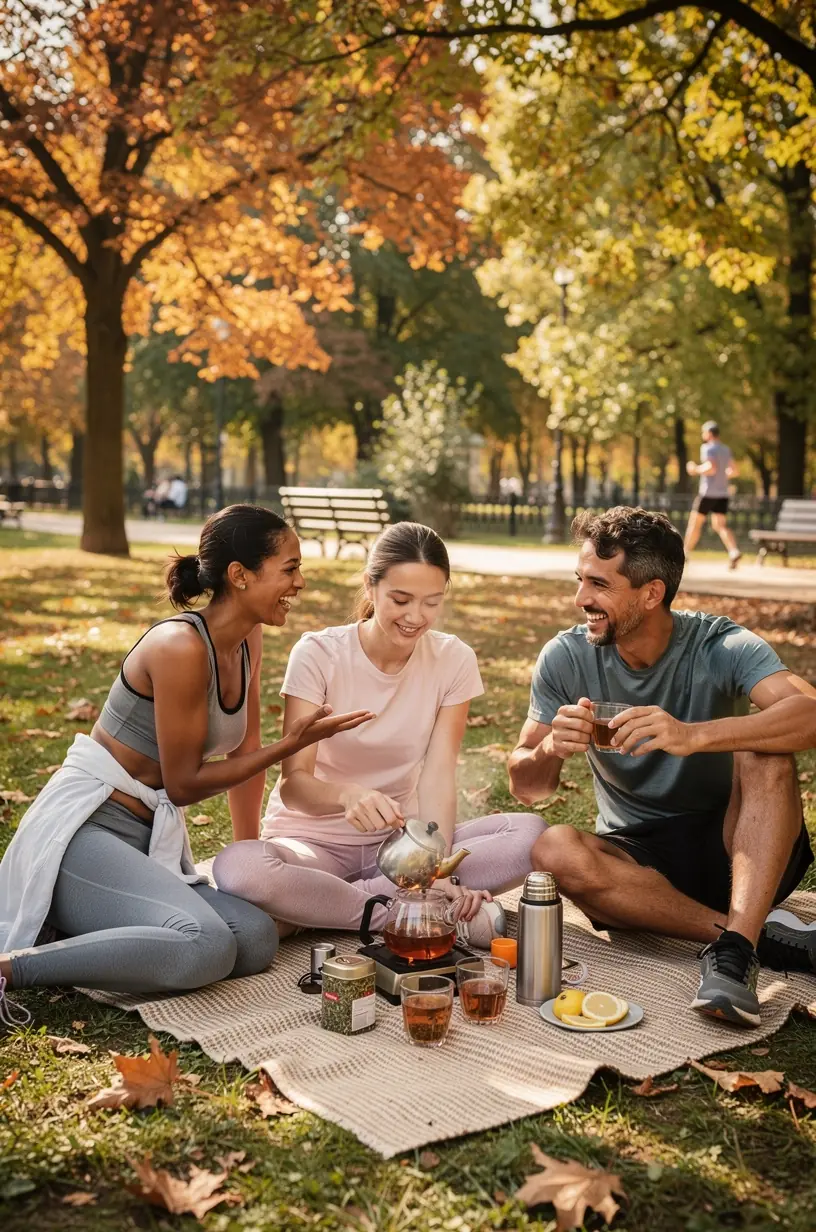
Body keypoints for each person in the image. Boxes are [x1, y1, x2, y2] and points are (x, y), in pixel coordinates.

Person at [0, 505, 371, 1008]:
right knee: (205, 944)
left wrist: (249, 858)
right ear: (240, 575)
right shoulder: (179, 646)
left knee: (254, 937)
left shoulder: (247, 639)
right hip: (86, 833)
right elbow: (183, 784)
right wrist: (290, 746)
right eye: (290, 568)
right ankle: (14, 967)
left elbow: (245, 753)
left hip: (144, 839)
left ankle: (95, 927)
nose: (300, 582)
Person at [509, 506, 816, 1028]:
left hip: (743, 847)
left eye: (599, 585)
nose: (581, 598)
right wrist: (550, 751)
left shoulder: (719, 644)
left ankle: (739, 939)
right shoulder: (565, 657)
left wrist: (692, 735)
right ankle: (745, 940)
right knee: (552, 848)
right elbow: (525, 788)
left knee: (764, 749)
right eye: (580, 580)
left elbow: (808, 712)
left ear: (652, 593)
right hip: (639, 868)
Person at [214, 521, 546, 943]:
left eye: (431, 602)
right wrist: (346, 796)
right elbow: (295, 785)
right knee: (240, 866)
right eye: (400, 600)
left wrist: (434, 867)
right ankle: (400, 910)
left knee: (530, 836)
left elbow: (438, 775)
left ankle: (321, 908)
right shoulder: (318, 654)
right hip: (312, 849)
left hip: (402, 848)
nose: (415, 617)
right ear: (370, 587)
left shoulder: (454, 659)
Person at [684, 421, 741, 568]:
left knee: (695, 524)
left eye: (704, 432)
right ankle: (734, 551)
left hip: (708, 493)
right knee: (720, 525)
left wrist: (695, 469)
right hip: (722, 494)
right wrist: (723, 476)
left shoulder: (707, 448)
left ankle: (684, 553)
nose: (703, 435)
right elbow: (735, 471)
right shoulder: (725, 449)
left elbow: (711, 468)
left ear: (709, 434)